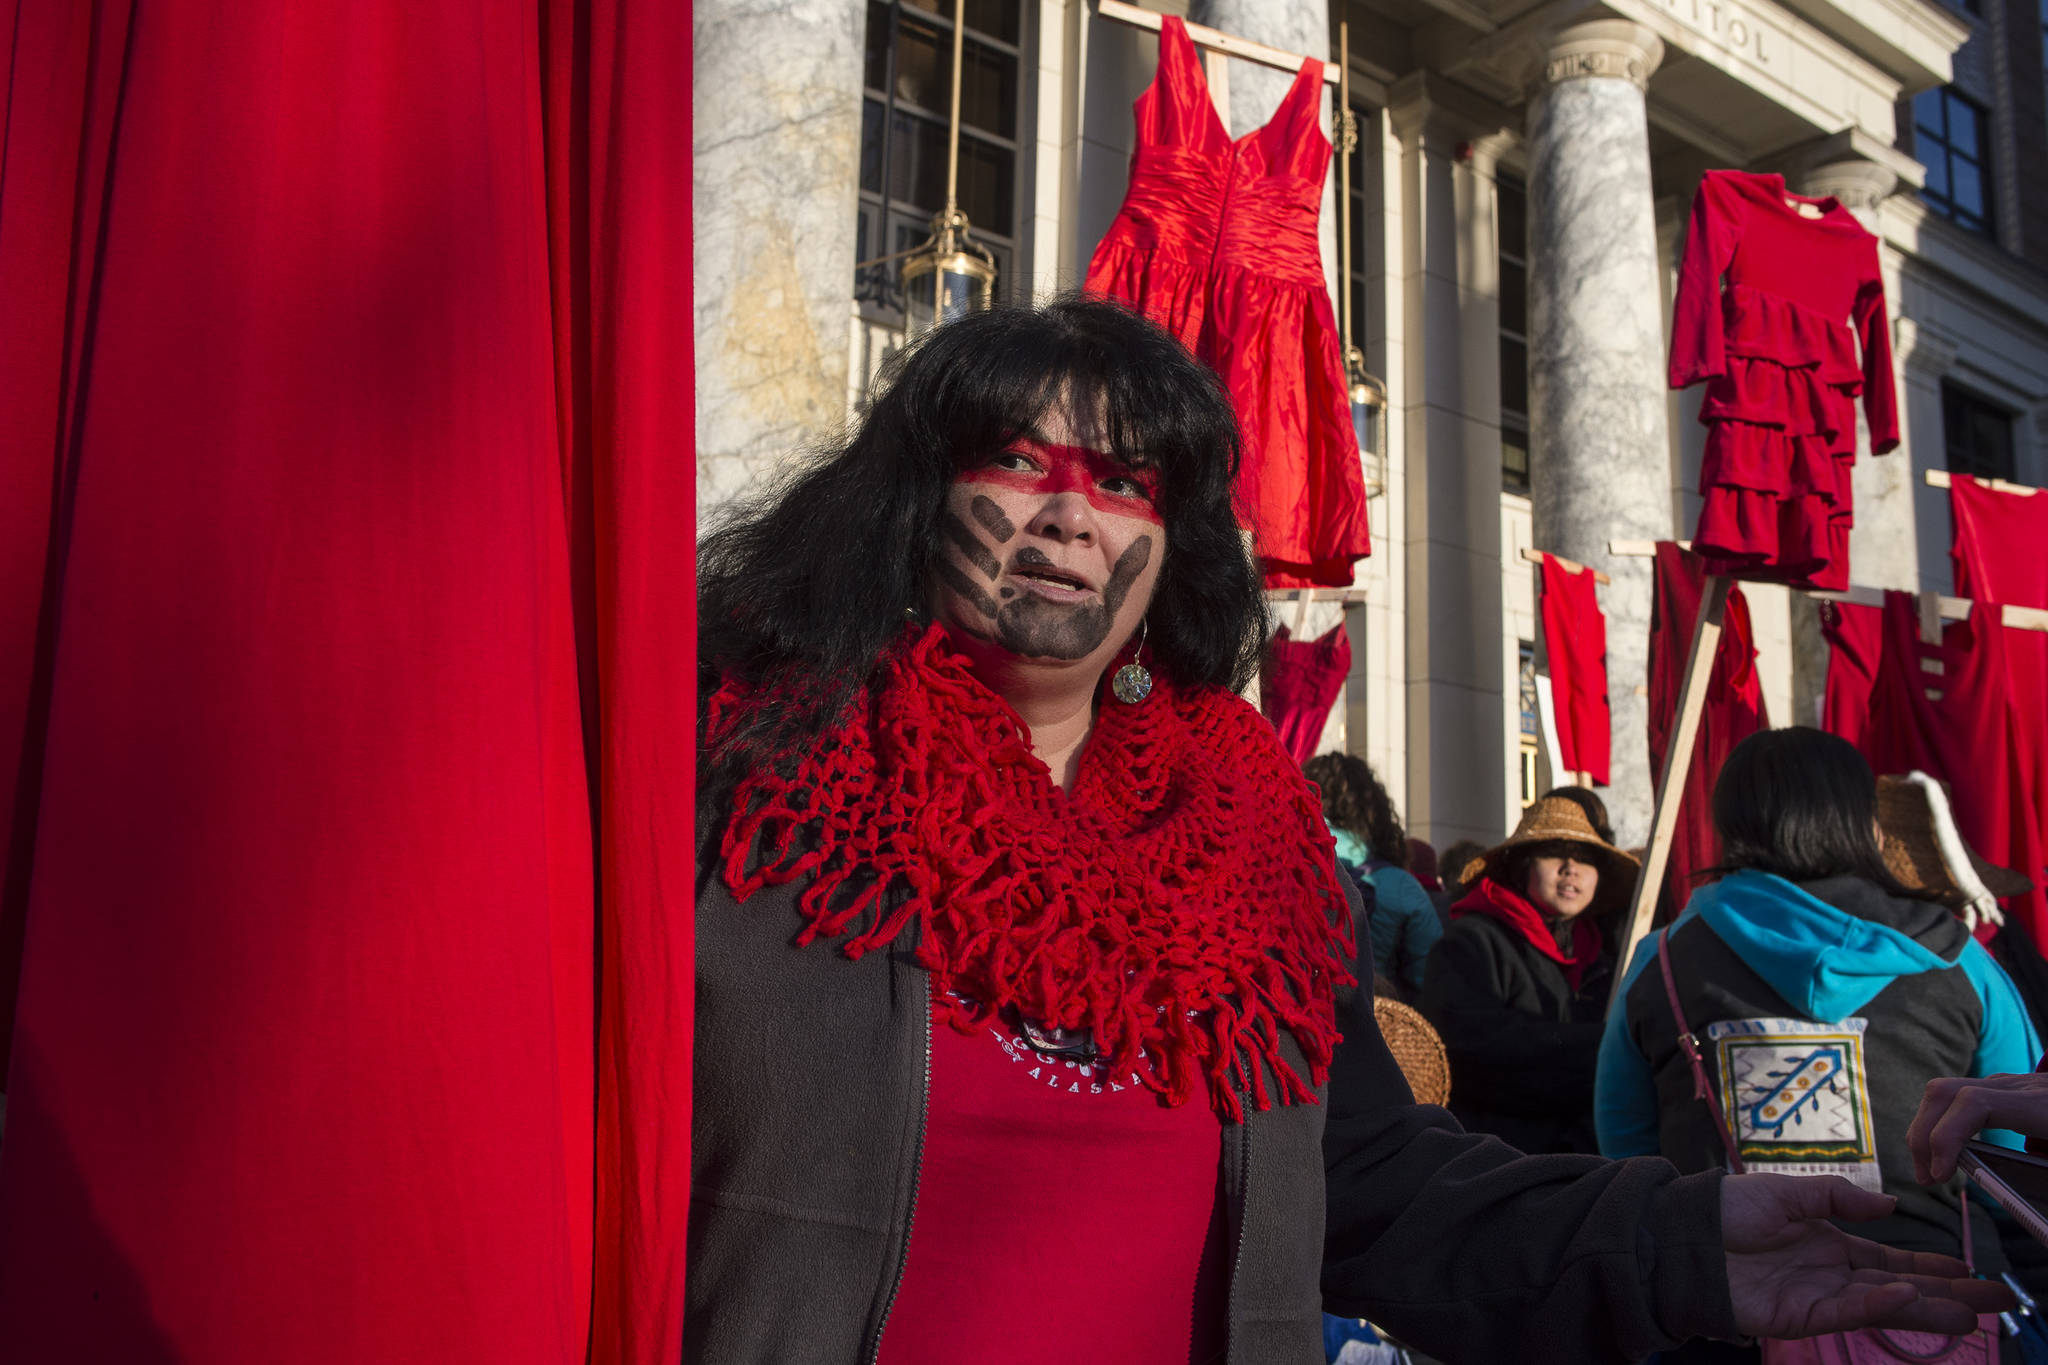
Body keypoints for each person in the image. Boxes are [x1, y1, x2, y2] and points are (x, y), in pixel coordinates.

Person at [692, 298, 2007, 1365]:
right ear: (917, 496)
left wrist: (1688, 1241)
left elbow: (1372, 1183)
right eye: (1019, 459)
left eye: (1125, 478)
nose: (1069, 514)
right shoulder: (745, 785)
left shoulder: (1254, 840)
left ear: (1172, 543)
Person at [1598, 729, 2039, 1360]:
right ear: (1865, 820)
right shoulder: (1960, 960)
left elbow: (1626, 1143)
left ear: (1732, 821)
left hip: (1721, 1312)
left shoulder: (1662, 959)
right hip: (1929, 1310)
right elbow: (2019, 1151)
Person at [1418, 796, 1630, 1154]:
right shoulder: (1472, 943)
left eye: (1585, 858)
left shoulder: (1605, 957)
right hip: (1500, 1157)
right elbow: (1472, 1051)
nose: (1571, 868)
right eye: (1554, 853)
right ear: (1522, 866)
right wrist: (1602, 1044)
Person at [1305, 752, 1439, 1000]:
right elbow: (1431, 977)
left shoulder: (1289, 860)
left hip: (1298, 1020)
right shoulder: (1400, 885)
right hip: (1378, 1019)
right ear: (1374, 812)